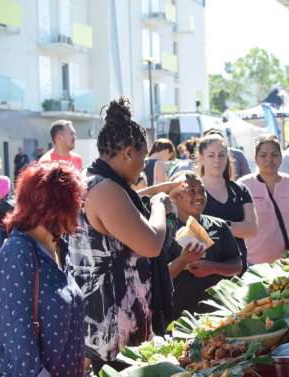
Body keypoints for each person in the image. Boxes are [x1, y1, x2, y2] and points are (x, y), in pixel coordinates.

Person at [66, 97, 177, 370]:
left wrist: (150, 193)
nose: (143, 165)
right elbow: (151, 243)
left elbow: (121, 214)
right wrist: (159, 204)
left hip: (98, 317)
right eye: (143, 156)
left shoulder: (89, 181)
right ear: (128, 152)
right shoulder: (106, 190)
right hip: (115, 327)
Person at [0, 162, 85, 376]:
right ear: (55, 207)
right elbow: (19, 346)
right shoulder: (18, 252)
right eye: (75, 202)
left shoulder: (60, 247)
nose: (79, 209)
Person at [167, 172, 243, 319]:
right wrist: (183, 260)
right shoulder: (164, 230)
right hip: (180, 318)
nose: (199, 196)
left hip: (221, 314)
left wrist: (212, 267)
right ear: (176, 197)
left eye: (202, 190)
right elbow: (160, 277)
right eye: (191, 191)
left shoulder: (219, 225)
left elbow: (238, 265)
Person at [238, 135, 289, 264]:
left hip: (288, 261)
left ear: (281, 158)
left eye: (274, 155)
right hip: (253, 264)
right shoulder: (243, 185)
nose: (269, 159)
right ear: (255, 159)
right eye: (263, 155)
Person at [197, 134, 258, 270]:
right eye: (211, 155)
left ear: (227, 157)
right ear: (201, 158)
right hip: (204, 270)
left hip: (238, 268)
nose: (217, 160)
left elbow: (252, 229)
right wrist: (235, 227)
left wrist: (217, 227)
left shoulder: (240, 190)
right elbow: (191, 231)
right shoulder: (193, 191)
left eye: (222, 155)